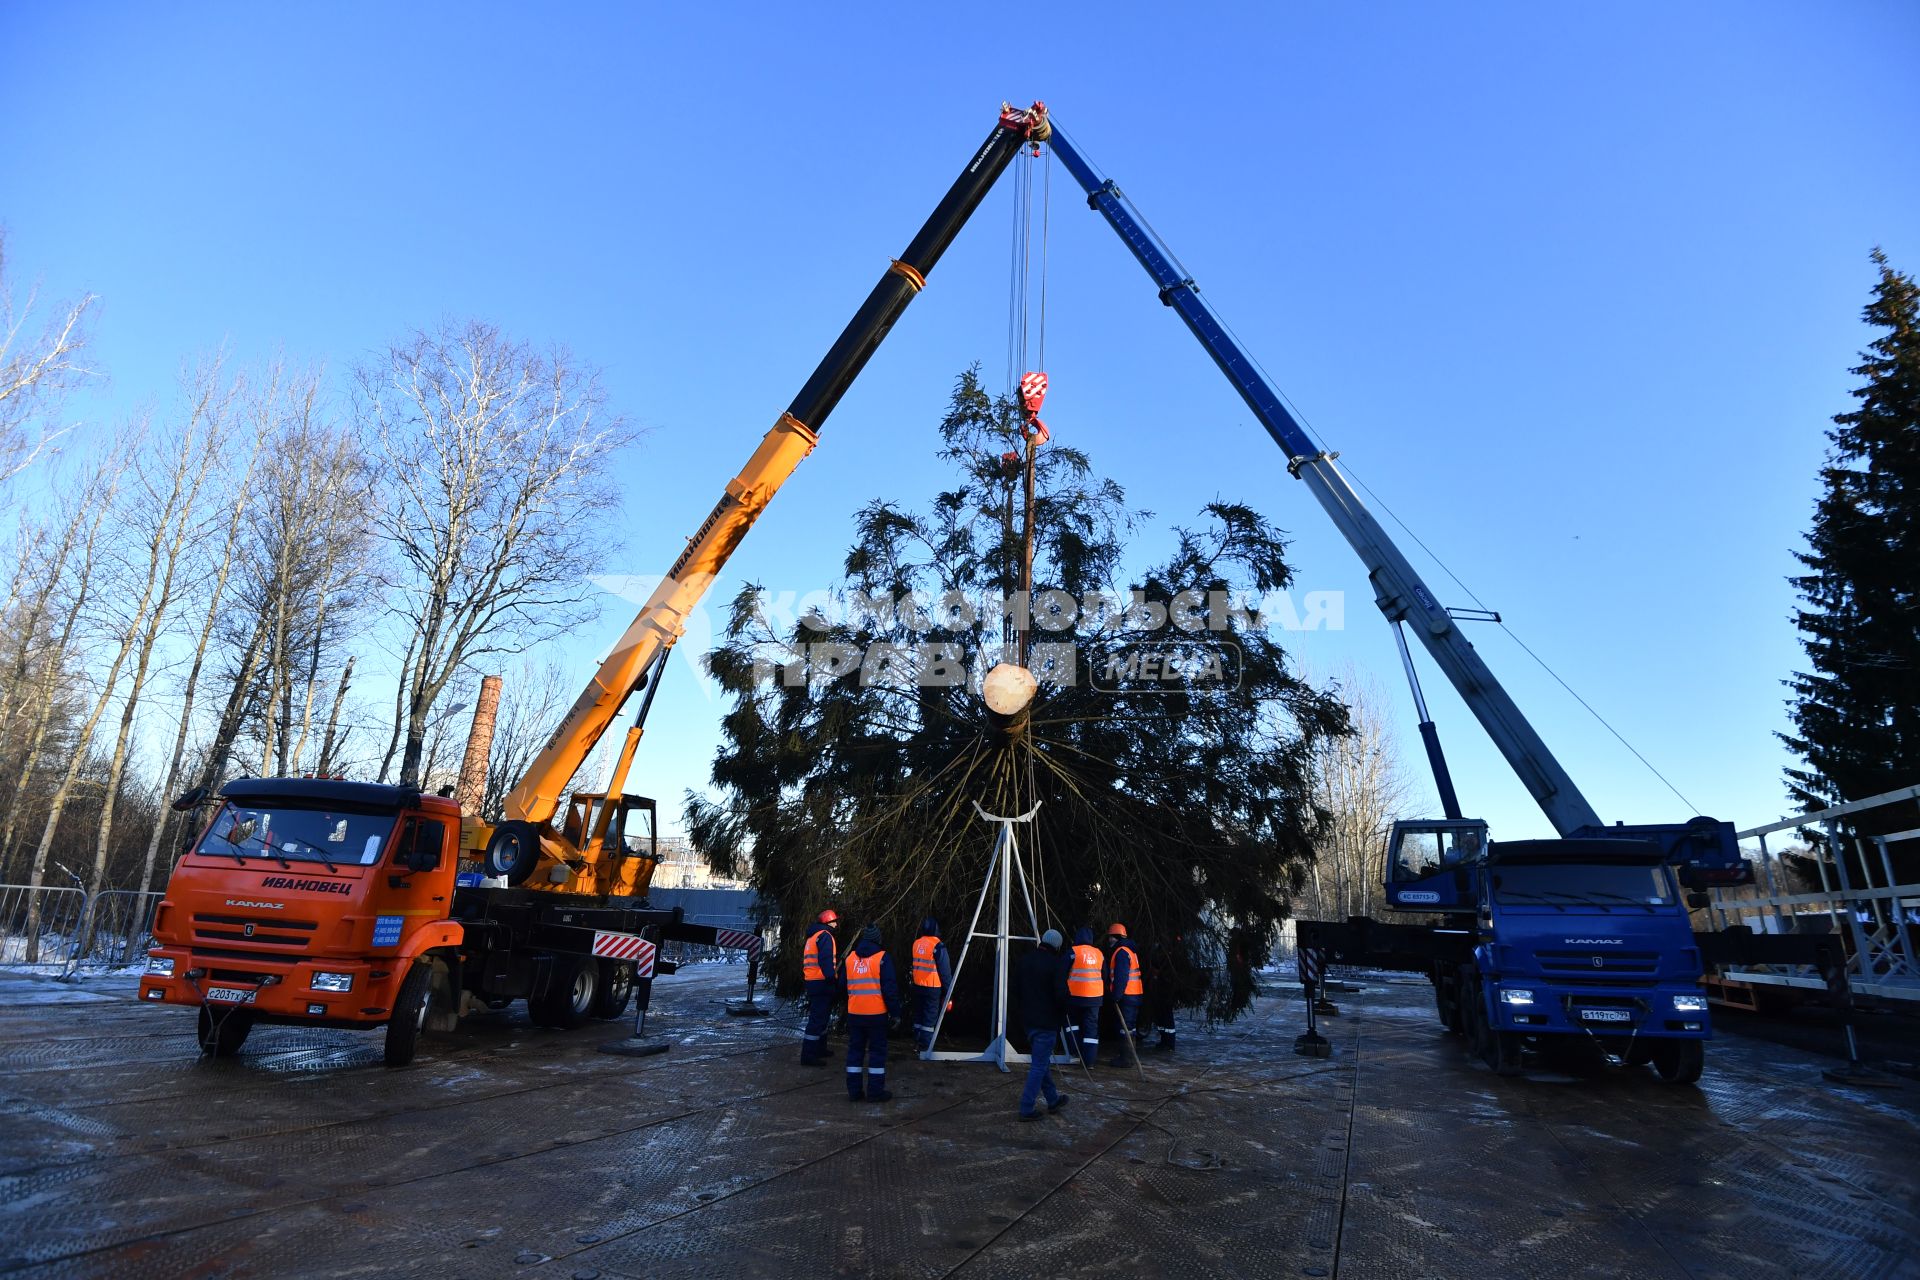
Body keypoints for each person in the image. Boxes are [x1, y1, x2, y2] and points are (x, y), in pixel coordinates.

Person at [1015, 928, 1071, 1120]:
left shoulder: (1025, 961)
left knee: (1042, 1062)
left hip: (1028, 1021)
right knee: (1039, 1065)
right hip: (1046, 1022)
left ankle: (1052, 1099)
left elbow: (1016, 990)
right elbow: (1061, 995)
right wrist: (1062, 1014)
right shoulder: (1056, 965)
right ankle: (1026, 1108)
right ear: (1057, 946)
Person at [842, 924, 898, 1102]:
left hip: (855, 1014)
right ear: (878, 939)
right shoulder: (882, 958)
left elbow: (842, 985)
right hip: (876, 1015)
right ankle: (875, 1092)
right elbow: (890, 989)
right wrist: (896, 1013)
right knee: (877, 1053)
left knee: (855, 1052)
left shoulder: (850, 958)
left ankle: (854, 1091)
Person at [800, 909, 840, 1066]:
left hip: (814, 981)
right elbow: (825, 961)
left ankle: (819, 1048)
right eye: (834, 921)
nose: (836, 924)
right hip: (821, 982)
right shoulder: (825, 936)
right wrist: (832, 979)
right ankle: (809, 1055)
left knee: (822, 1017)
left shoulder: (813, 937)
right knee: (817, 1019)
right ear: (828, 923)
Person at [910, 917, 952, 1053]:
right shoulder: (938, 946)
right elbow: (945, 972)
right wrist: (949, 992)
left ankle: (917, 1043)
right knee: (929, 1019)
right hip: (932, 987)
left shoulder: (916, 943)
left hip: (917, 986)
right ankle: (925, 1048)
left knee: (918, 1016)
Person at [1105, 922, 1145, 1066]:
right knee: (1129, 1028)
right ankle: (1128, 1056)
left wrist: (1116, 995)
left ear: (1116, 937)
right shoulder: (1129, 950)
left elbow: (1121, 977)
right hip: (1134, 994)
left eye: (1111, 937)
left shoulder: (1121, 952)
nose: (1109, 940)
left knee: (1125, 1028)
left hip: (1127, 995)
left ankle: (1126, 1059)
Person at [1065, 926, 1104, 1067]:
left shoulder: (1073, 952)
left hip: (1074, 996)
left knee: (1072, 1025)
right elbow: (1104, 974)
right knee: (1091, 1030)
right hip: (1095, 998)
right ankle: (1089, 1062)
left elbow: (1061, 972)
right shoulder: (1099, 953)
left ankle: (1075, 1053)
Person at [1146, 934, 1179, 1052]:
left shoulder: (1169, 957)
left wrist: (1158, 975)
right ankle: (1164, 1041)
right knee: (1161, 1018)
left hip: (1166, 992)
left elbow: (1168, 975)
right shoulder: (1160, 952)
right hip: (1160, 991)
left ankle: (1169, 1043)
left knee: (1167, 1018)